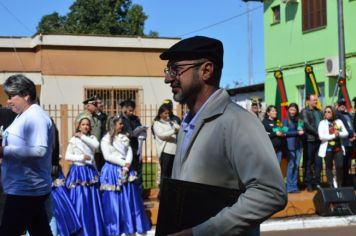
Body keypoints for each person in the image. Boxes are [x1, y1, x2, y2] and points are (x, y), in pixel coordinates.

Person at [160, 36, 286, 235]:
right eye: (168, 70)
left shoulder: (238, 121)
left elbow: (270, 192)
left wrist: (201, 233)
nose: (168, 78)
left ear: (206, 70)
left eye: (176, 69)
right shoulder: (187, 124)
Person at [0, 74, 54, 235]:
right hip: (25, 187)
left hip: (26, 189)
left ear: (26, 95)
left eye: (11, 96)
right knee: (40, 231)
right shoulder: (23, 115)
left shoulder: (35, 116)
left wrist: (4, 151)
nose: (8, 101)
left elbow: (39, 150)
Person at [100, 115, 151, 235]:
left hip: (127, 169)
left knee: (129, 196)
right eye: (119, 124)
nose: (122, 126)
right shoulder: (106, 139)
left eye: (122, 124)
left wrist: (127, 164)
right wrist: (124, 163)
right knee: (114, 199)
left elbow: (129, 151)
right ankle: (115, 226)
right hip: (112, 170)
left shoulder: (123, 137)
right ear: (113, 125)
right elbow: (107, 156)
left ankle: (130, 224)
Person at [65, 116, 106, 235]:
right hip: (77, 171)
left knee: (91, 198)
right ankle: (79, 227)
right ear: (78, 126)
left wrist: (82, 136)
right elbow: (68, 156)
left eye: (87, 125)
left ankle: (93, 227)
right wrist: (81, 158)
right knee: (79, 198)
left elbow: (96, 145)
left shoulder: (92, 138)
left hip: (89, 171)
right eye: (83, 124)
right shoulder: (73, 140)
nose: (85, 126)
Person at [119, 99, 147, 196]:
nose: (131, 112)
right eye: (130, 110)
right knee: (127, 172)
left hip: (135, 148)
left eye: (132, 110)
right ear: (124, 109)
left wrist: (142, 131)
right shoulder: (119, 120)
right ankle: (127, 194)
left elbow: (139, 129)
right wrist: (124, 134)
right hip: (125, 150)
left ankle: (139, 196)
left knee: (138, 172)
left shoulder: (135, 119)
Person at [318, 106, 348, 187]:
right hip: (327, 148)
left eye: (329, 112)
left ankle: (339, 185)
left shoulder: (338, 122)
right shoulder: (322, 123)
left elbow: (346, 133)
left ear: (333, 113)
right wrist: (333, 136)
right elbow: (321, 136)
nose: (326, 113)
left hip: (338, 148)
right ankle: (331, 185)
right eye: (325, 112)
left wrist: (339, 133)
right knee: (328, 167)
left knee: (340, 166)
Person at [152, 104, 180, 191]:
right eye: (165, 113)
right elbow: (161, 135)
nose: (167, 115)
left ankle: (171, 193)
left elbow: (180, 128)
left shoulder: (171, 122)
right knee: (165, 174)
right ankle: (163, 193)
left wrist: (177, 127)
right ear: (160, 114)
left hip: (174, 151)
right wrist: (173, 131)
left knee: (172, 174)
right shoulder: (157, 124)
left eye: (168, 113)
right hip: (166, 152)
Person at [300, 94, 323, 192]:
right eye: (314, 100)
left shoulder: (319, 112)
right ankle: (309, 183)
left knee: (318, 162)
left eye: (316, 100)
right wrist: (318, 133)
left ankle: (317, 182)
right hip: (310, 140)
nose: (316, 102)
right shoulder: (304, 111)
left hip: (320, 140)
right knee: (309, 162)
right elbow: (306, 125)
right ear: (308, 101)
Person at [283, 103, 304, 193]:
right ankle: (289, 187)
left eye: (294, 110)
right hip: (290, 146)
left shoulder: (300, 120)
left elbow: (302, 130)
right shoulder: (285, 120)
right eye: (291, 110)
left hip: (299, 146)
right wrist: (296, 133)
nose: (293, 112)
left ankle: (294, 187)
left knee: (296, 166)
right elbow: (284, 133)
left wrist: (303, 131)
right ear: (288, 110)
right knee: (291, 165)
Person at [335, 98, 355, 186]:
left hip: (351, 143)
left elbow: (353, 126)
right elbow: (338, 130)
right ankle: (341, 184)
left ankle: (346, 183)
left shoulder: (349, 115)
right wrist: (349, 136)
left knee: (348, 165)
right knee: (341, 165)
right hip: (343, 143)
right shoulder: (336, 115)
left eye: (343, 103)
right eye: (340, 104)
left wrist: (354, 135)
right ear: (337, 105)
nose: (342, 105)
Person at [94, 96, 108, 171]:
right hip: (95, 145)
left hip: (103, 143)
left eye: (101, 102)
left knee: (103, 166)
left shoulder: (104, 116)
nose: (101, 104)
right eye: (99, 103)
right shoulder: (91, 116)